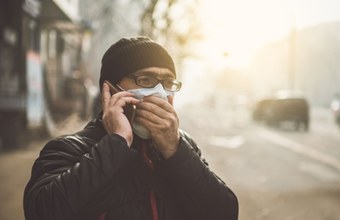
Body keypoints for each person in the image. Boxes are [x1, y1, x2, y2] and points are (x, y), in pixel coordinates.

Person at [23, 36, 239, 220]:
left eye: (167, 83)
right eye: (145, 79)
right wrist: (116, 143)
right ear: (109, 89)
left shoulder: (180, 145)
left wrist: (175, 150)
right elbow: (42, 211)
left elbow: (224, 212)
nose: (160, 93)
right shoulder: (69, 148)